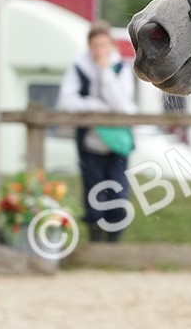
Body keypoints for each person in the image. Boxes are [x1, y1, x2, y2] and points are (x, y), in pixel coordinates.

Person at [56, 20, 137, 242]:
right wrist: (97, 107)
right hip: (90, 141)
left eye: (104, 44)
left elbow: (120, 104)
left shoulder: (121, 68)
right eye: (95, 45)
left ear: (111, 45)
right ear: (89, 46)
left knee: (118, 191)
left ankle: (114, 240)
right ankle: (95, 237)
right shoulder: (79, 68)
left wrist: (105, 73)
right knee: (94, 192)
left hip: (117, 141)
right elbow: (67, 101)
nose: (99, 50)